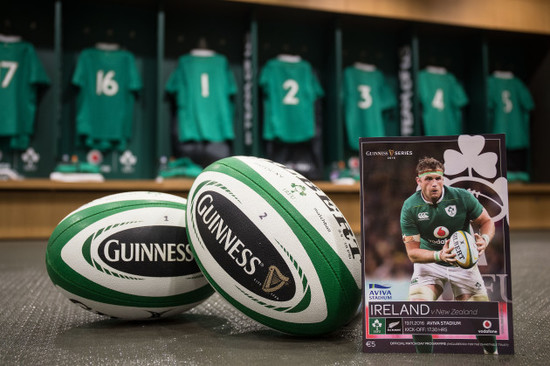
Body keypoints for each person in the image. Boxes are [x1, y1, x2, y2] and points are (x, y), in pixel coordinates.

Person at [400, 156, 497, 354]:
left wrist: (484, 240)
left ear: (443, 179)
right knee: (417, 313)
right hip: (431, 263)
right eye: (428, 179)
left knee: (482, 319)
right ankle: (425, 360)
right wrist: (439, 256)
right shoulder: (410, 206)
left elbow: (487, 222)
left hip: (463, 264)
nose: (434, 183)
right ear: (419, 181)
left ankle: (492, 353)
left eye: (438, 178)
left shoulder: (462, 197)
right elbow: (413, 254)